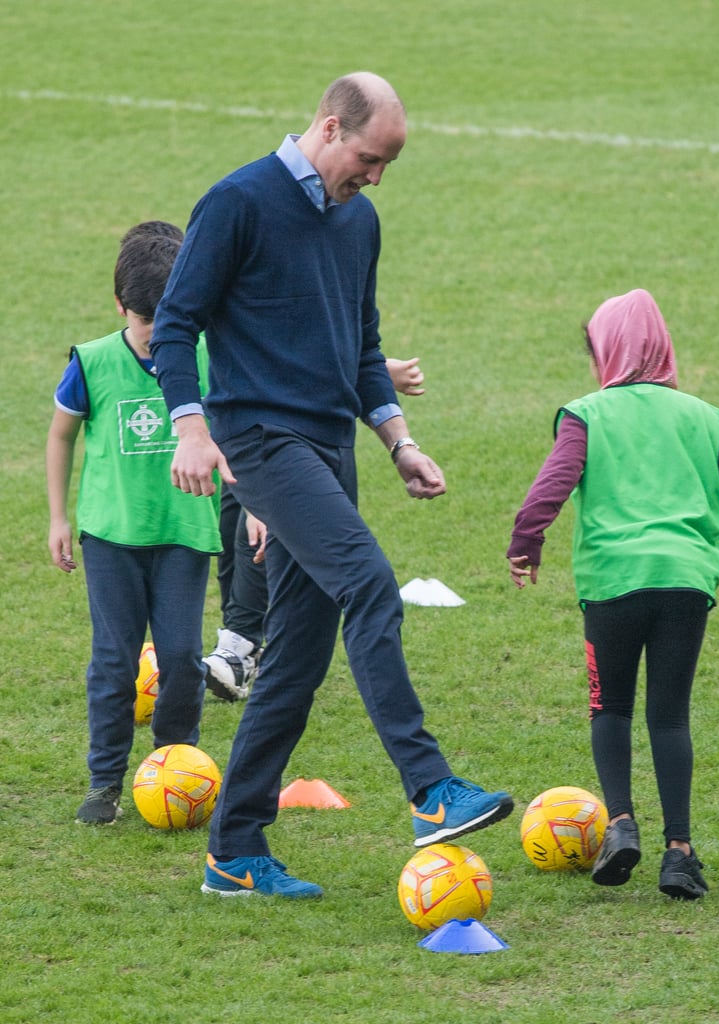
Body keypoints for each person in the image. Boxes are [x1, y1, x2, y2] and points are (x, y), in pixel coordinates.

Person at [150, 71, 513, 898]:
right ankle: (430, 791)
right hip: (263, 443)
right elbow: (175, 324)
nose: (375, 178)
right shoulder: (237, 202)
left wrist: (399, 441)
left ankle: (232, 852)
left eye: (387, 166)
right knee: (372, 584)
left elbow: (362, 342)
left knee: (296, 661)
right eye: (369, 158)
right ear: (328, 126)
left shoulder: (359, 220)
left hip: (330, 450)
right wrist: (192, 429)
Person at [507, 288, 719, 899]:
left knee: (610, 706)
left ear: (607, 349)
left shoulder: (586, 412)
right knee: (669, 715)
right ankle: (680, 852)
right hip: (685, 583)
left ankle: (620, 824)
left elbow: (553, 484)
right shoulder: (700, 415)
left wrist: (527, 541)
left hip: (613, 584)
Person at [46, 226, 222, 824]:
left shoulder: (204, 354)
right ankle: (104, 784)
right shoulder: (92, 361)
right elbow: (60, 435)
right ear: (119, 306)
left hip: (183, 535)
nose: (153, 337)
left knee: (181, 657)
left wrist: (257, 506)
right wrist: (59, 518)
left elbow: (236, 434)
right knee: (114, 663)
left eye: (165, 319)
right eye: (145, 322)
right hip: (110, 538)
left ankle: (176, 768)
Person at [204, 355, 426, 702]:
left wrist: (371, 372)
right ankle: (239, 643)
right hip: (241, 429)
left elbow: (298, 350)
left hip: (279, 438)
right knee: (237, 514)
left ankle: (241, 644)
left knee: (261, 526)